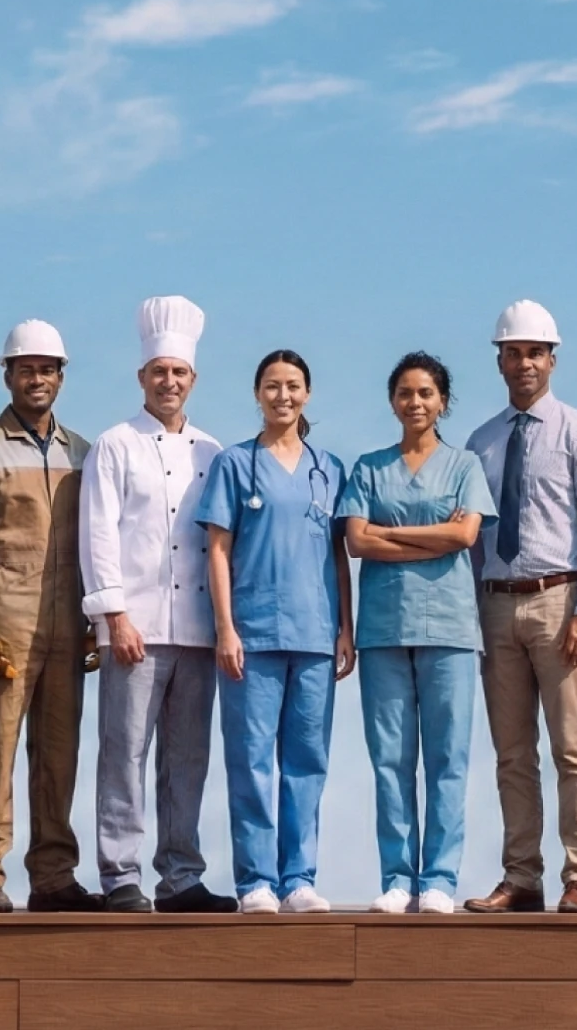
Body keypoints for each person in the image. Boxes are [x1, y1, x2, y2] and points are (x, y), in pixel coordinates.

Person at [80, 295, 234, 912]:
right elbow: (97, 532)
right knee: (124, 753)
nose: (169, 382)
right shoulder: (114, 444)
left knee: (188, 758)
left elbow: (221, 543)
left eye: (179, 373)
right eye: (159, 372)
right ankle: (121, 875)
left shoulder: (212, 451)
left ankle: (181, 877)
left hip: (196, 629)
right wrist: (114, 617)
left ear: (193, 379)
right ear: (141, 376)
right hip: (134, 627)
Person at [0, 320, 105, 914]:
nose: (37, 379)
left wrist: (95, 620)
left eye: (47, 369)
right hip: (4, 622)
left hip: (67, 621)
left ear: (62, 377)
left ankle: (54, 875)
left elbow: (97, 542)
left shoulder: (82, 452)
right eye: (26, 369)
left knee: (59, 753)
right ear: (7, 374)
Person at [463, 300, 577, 914]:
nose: (524, 362)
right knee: (511, 753)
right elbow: (474, 537)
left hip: (559, 601)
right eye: (513, 352)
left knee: (573, 747)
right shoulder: (480, 442)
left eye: (534, 352)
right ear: (499, 361)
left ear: (552, 360)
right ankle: (521, 875)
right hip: (497, 605)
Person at [195, 350, 353, 914]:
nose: (282, 396)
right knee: (251, 760)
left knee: (307, 761)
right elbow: (217, 551)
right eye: (271, 386)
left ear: (307, 393)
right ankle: (256, 882)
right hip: (253, 635)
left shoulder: (328, 469)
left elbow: (338, 554)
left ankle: (299, 878)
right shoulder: (235, 464)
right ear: (257, 394)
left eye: (292, 386)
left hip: (315, 635)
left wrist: (346, 628)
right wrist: (226, 628)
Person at [337, 352, 495, 914]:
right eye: (405, 393)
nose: (415, 402)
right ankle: (399, 878)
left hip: (450, 629)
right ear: (392, 401)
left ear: (443, 402)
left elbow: (466, 537)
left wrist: (392, 533)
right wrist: (434, 536)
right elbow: (357, 540)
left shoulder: (464, 466)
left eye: (426, 393)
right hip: (384, 629)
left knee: (448, 758)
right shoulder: (369, 468)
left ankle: (439, 881)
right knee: (391, 759)